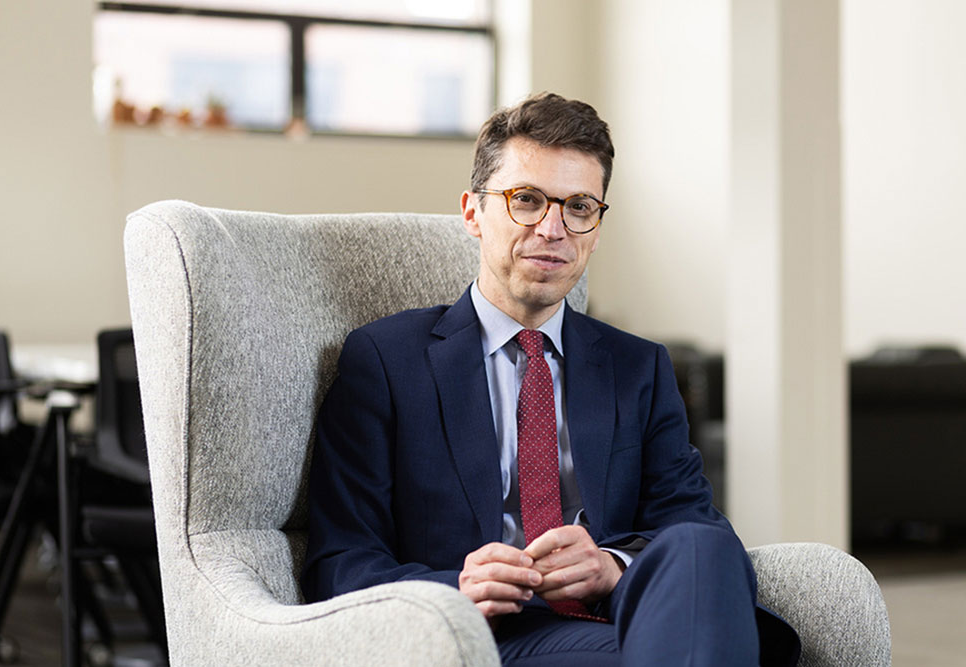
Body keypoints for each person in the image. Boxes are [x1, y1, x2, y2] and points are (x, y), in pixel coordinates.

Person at [301, 92, 800, 666]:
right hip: (492, 636)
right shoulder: (387, 360)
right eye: (527, 200)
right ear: (472, 212)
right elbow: (339, 561)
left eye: (579, 206)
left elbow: (701, 535)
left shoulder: (639, 366)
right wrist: (456, 588)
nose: (553, 227)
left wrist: (612, 566)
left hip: (629, 616)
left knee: (698, 544)